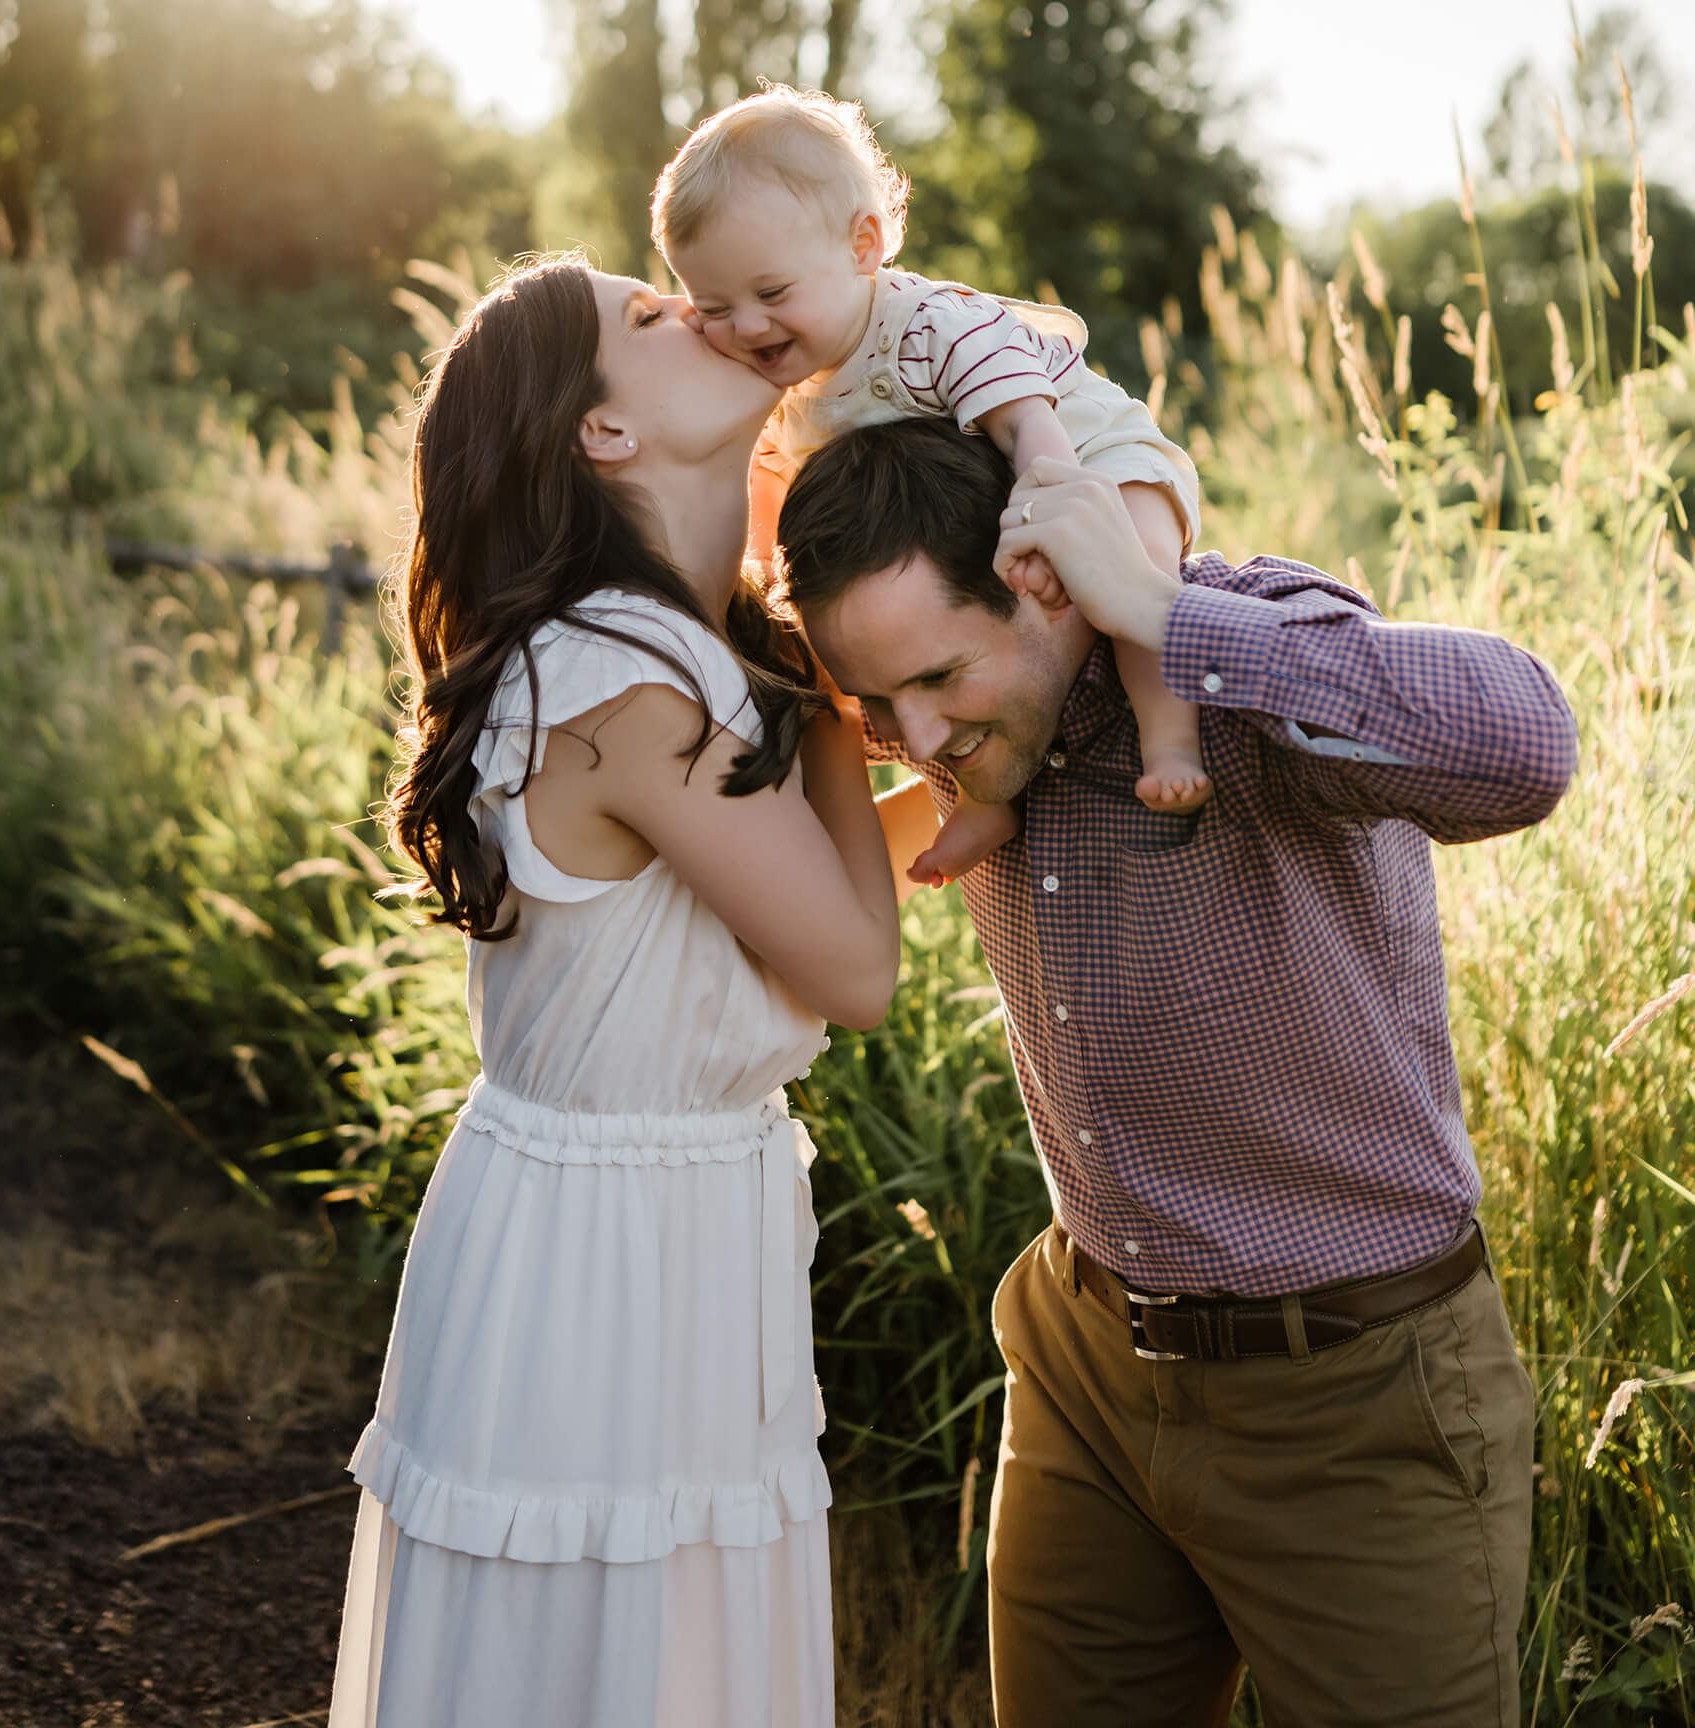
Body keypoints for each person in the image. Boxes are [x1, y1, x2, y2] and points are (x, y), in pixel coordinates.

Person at [775, 418, 1579, 1728]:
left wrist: (1157, 607)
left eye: (934, 677)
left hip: (1351, 1391)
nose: (910, 736)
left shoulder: (1228, 655)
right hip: (1083, 1358)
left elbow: (1524, 751)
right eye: (877, 700)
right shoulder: (974, 726)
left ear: (1043, 582)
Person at [327, 255, 901, 1728]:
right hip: (608, 1259)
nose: (699, 310)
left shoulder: (636, 645)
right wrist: (824, 679)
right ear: (600, 433)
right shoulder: (635, 677)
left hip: (629, 1217)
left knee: (642, 1654)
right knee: (624, 1661)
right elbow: (850, 965)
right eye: (649, 318)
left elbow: (753, 909)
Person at [652, 84, 1208, 888]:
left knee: (1133, 579)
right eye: (713, 306)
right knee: (900, 661)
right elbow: (772, 491)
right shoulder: (787, 390)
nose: (746, 327)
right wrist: (773, 581)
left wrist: (1046, 527)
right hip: (976, 496)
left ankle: (1171, 736)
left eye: (771, 294)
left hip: (1086, 452)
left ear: (863, 245)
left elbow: (1028, 429)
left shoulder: (933, 325)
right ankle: (973, 801)